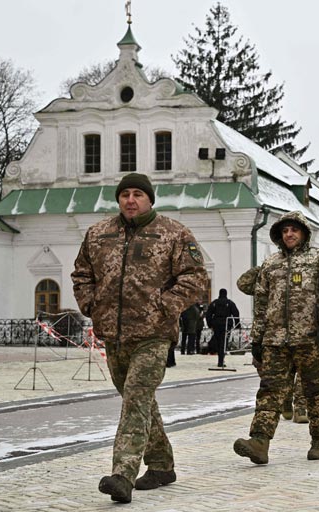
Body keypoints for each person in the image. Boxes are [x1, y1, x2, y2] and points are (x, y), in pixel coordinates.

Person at [71, 172, 208, 503]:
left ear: (150, 199)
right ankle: (162, 465)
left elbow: (195, 277)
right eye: (124, 195)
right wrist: (92, 305)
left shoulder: (174, 233)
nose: (130, 200)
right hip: (114, 334)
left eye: (138, 194)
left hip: (154, 334)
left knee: (136, 396)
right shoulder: (98, 234)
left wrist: (164, 306)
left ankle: (123, 474)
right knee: (139, 400)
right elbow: (81, 274)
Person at [233, 211, 319, 464]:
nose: (289, 234)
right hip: (275, 341)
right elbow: (261, 303)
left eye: (294, 230)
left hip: (310, 339)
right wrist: (258, 340)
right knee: (269, 391)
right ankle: (260, 442)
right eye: (285, 231)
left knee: (314, 390)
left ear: (303, 233)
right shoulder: (271, 264)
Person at [237, 265, 307, 423]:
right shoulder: (265, 279)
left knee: (303, 371)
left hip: (298, 333)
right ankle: (286, 400)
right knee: (278, 374)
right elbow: (243, 283)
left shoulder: (301, 274)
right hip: (270, 335)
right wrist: (263, 268)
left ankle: (300, 408)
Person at [205, 288, 240, 367]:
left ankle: (220, 359)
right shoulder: (230, 303)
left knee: (218, 342)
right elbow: (236, 313)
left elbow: (208, 314)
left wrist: (210, 324)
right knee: (224, 343)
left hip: (216, 325)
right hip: (227, 325)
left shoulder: (214, 303)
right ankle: (221, 360)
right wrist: (237, 324)